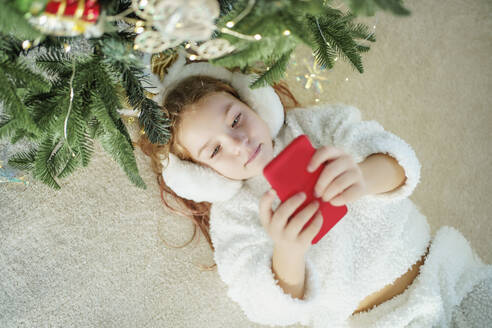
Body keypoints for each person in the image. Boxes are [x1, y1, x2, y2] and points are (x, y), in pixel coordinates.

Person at [136, 50, 492, 327]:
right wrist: (288, 252)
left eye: (235, 119)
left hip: (447, 274)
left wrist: (365, 175)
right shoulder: (234, 214)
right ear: (202, 173)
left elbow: (398, 159)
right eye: (214, 150)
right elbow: (261, 304)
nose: (240, 143)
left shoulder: (313, 125)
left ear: (253, 101)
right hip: (372, 321)